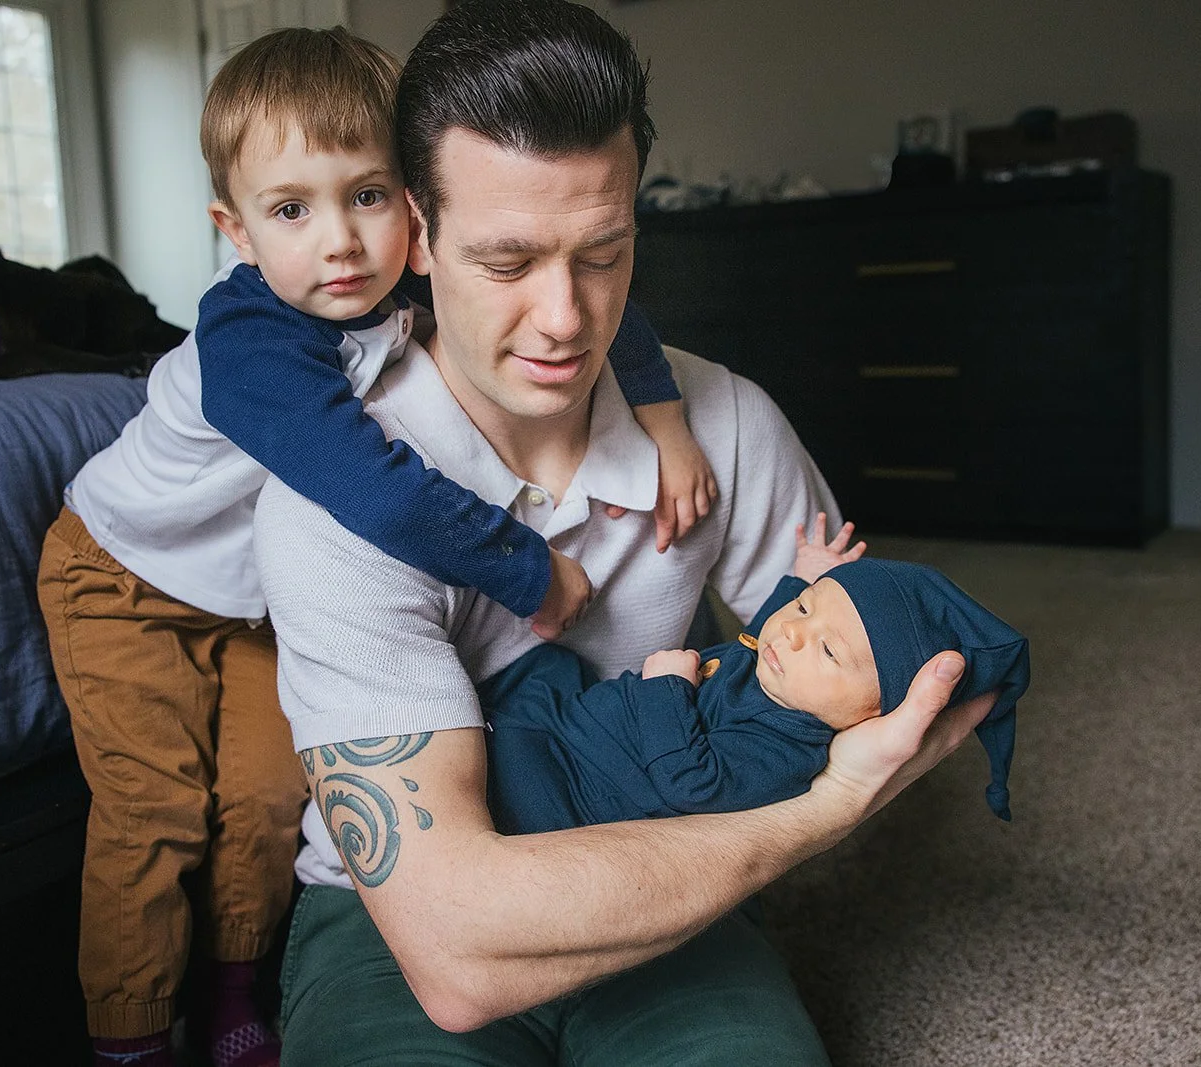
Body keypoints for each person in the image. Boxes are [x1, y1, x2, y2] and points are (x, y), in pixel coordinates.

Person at [249, 2, 999, 1063]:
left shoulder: (725, 421)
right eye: (509, 264)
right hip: (396, 922)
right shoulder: (334, 497)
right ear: (415, 232)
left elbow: (882, 661)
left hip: (665, 874)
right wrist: (819, 812)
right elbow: (457, 957)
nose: (566, 317)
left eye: (602, 253)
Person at [35, 25, 715, 1067]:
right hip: (122, 577)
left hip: (248, 595)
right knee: (157, 810)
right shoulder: (252, 346)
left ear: (421, 213)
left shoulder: (402, 286)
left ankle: (235, 990)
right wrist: (528, 567)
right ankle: (128, 1032)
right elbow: (376, 493)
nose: (341, 243)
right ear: (237, 231)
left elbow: (578, 285)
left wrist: (665, 421)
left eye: (367, 196)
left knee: (269, 795)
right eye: (292, 211)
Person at [480, 515, 1031, 836]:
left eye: (830, 652)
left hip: (575, 788)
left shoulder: (786, 750)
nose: (791, 633)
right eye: (807, 609)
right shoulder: (785, 668)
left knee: (501, 753)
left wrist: (668, 687)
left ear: (872, 713)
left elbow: (693, 784)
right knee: (537, 665)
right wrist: (804, 579)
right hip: (582, 718)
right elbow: (774, 628)